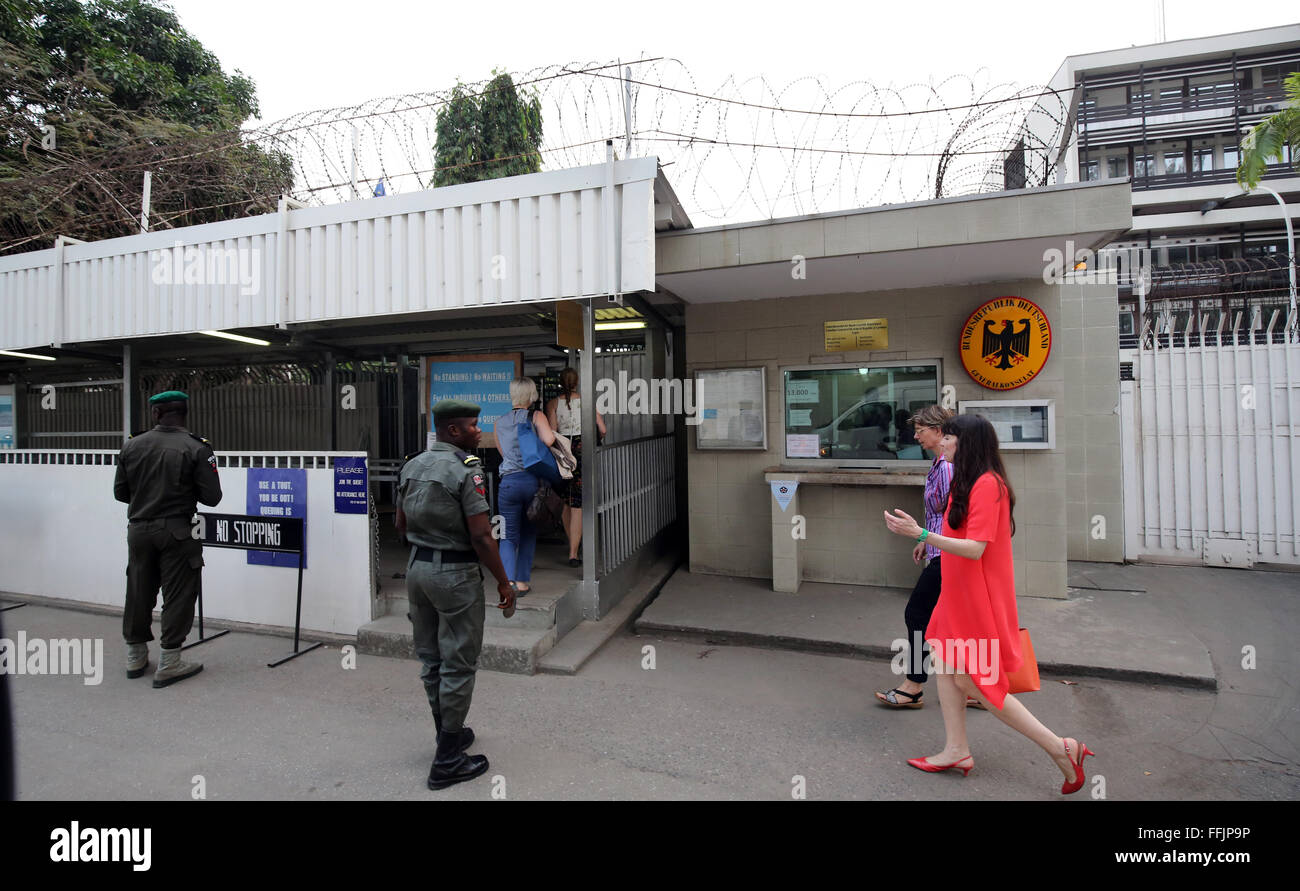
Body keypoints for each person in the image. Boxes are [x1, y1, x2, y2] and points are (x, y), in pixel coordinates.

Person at [883, 413, 1094, 794]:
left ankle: (1061, 747)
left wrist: (922, 532)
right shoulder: (967, 480)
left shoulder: (987, 484)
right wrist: (926, 538)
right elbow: (956, 532)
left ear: (966, 443)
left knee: (975, 682)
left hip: (976, 600)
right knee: (946, 669)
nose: (940, 443)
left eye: (947, 438)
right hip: (956, 594)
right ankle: (956, 749)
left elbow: (975, 549)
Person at [396, 399, 517, 790]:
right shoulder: (467, 471)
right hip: (454, 575)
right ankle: (448, 759)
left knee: (431, 659)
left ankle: (447, 733)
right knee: (458, 663)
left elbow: (400, 523)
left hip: (418, 571)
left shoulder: (413, 465)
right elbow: (482, 535)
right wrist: (503, 581)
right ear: (453, 431)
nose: (478, 431)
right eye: (472, 425)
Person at [113, 390, 222, 688]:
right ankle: (170, 661)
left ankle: (135, 656)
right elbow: (213, 498)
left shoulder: (132, 445)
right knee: (179, 594)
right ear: (184, 413)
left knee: (138, 589)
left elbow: (120, 493)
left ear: (156, 414)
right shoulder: (197, 447)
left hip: (138, 531)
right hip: (178, 531)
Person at [875, 405, 953, 710]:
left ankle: (913, 686)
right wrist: (925, 540)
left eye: (921, 430)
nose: (916, 435)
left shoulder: (946, 467)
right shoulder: (938, 464)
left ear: (938, 431)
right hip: (939, 550)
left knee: (917, 614)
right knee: (949, 621)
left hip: (947, 555)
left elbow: (954, 514)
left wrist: (924, 536)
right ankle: (976, 688)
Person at [494, 378, 556, 594]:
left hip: (508, 483)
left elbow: (503, 453)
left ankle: (507, 582)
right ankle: (521, 582)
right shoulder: (536, 416)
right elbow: (548, 440)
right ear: (531, 394)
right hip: (531, 482)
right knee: (528, 532)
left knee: (508, 535)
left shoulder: (499, 421)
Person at [545, 367, 606, 567]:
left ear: (560, 382)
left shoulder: (553, 404)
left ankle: (573, 542)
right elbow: (602, 429)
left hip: (563, 456)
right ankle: (573, 553)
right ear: (577, 381)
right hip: (582, 453)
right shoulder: (587, 402)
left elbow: (552, 433)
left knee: (566, 501)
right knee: (577, 505)